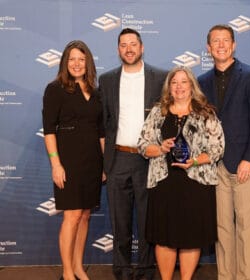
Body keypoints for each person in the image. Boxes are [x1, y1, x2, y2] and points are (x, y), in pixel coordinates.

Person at [137, 66, 225, 280]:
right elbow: (142, 144)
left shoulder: (205, 113)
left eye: (184, 82)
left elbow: (217, 148)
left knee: (191, 237)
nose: (179, 87)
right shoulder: (159, 112)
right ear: (169, 87)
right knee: (163, 237)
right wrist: (160, 149)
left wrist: (193, 161)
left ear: (192, 86)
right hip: (164, 183)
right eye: (174, 82)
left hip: (195, 183)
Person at [198, 24, 250, 280]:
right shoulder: (202, 81)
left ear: (234, 45)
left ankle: (247, 277)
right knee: (222, 227)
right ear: (208, 47)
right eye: (215, 41)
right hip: (215, 165)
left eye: (225, 40)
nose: (221, 45)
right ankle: (226, 276)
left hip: (244, 165)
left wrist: (249, 158)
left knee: (246, 227)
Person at [98, 28, 167, 280]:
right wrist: (105, 162)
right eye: (123, 44)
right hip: (117, 159)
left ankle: (147, 271)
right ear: (118, 50)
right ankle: (123, 271)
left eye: (133, 44)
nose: (128, 49)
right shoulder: (106, 81)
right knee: (120, 222)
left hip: (149, 159)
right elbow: (103, 124)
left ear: (142, 47)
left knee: (148, 220)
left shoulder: (161, 78)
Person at [42, 40, 105, 280]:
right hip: (68, 161)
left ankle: (78, 267)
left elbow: (101, 132)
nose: (77, 64)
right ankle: (67, 273)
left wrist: (104, 163)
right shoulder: (55, 89)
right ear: (64, 63)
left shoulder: (95, 91)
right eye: (72, 59)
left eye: (81, 59)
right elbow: (49, 130)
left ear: (88, 62)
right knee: (72, 215)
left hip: (92, 161)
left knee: (85, 215)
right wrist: (56, 164)